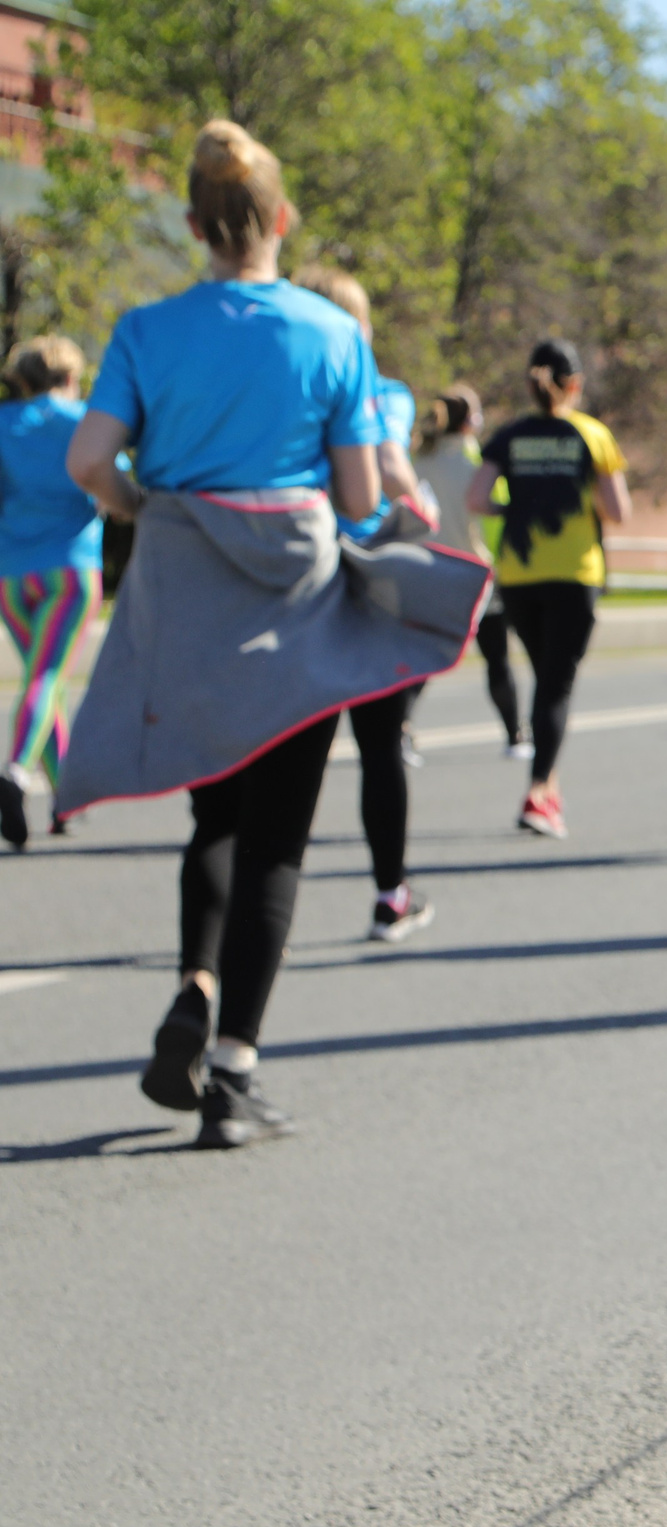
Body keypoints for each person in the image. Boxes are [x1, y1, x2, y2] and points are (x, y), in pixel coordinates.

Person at [58, 120, 484, 1148]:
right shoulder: (330, 336)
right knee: (279, 839)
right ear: (281, 220)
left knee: (215, 818)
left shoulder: (146, 331)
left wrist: (141, 504)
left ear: (197, 225)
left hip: (187, 598)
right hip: (292, 605)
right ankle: (235, 1069)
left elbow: (88, 461)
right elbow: (354, 492)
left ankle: (192, 990)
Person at [297, 265, 435, 942]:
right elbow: (392, 471)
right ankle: (391, 892)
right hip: (372, 575)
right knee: (380, 746)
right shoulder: (386, 395)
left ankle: (264, 898)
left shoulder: (283, 388)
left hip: (294, 573)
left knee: (290, 747)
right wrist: (420, 502)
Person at [466, 337, 630, 840]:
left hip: (519, 573)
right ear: (575, 385)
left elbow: (477, 498)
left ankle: (549, 787)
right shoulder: (592, 435)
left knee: (545, 679)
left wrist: (516, 507)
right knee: (556, 685)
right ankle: (539, 793)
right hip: (575, 572)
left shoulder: (510, 435)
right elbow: (618, 512)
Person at [0, 336, 103, 851]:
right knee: (47, 676)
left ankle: (67, 801)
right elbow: (111, 481)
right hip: (70, 568)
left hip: (13, 574)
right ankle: (17, 771)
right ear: (70, 376)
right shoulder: (82, 421)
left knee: (49, 680)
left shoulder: (4, 425)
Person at [416, 384, 526, 758]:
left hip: (428, 573)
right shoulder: (477, 466)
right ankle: (515, 736)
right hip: (475, 575)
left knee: (422, 658)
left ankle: (399, 728)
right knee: (497, 658)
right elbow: (491, 512)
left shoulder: (416, 462)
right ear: (468, 422)